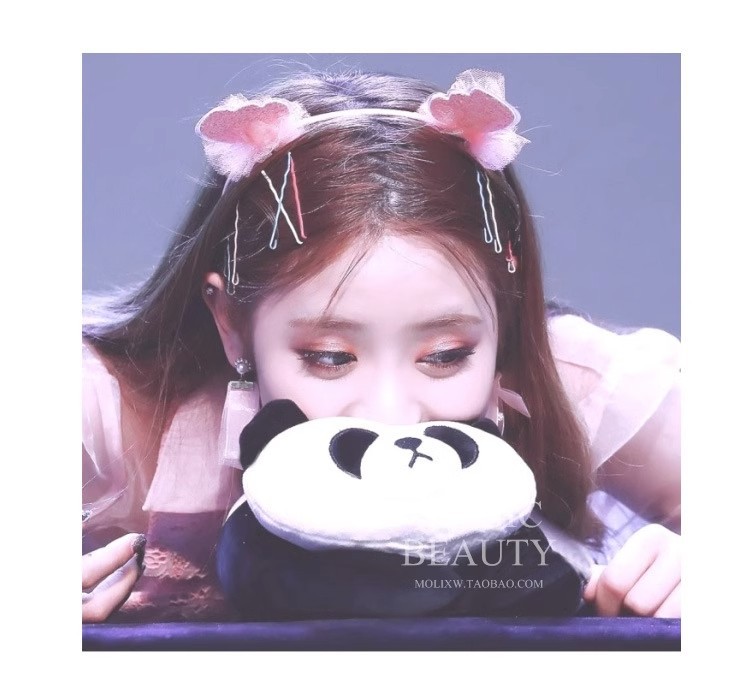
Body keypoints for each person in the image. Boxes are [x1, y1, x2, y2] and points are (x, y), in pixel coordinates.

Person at [82, 68, 681, 623]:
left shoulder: (580, 382)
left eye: (446, 355)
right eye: (329, 357)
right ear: (231, 323)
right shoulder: (104, 411)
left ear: (506, 313)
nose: (391, 414)